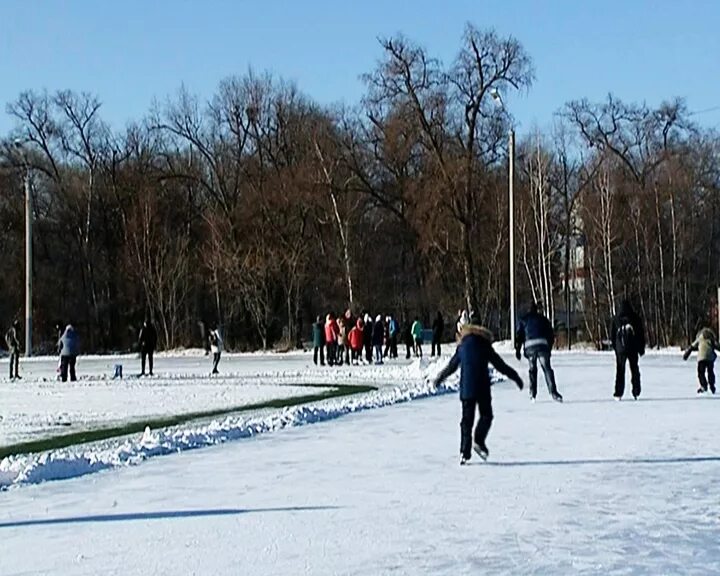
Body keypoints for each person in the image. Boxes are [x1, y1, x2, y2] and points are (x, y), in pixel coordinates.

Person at [434, 316, 524, 464]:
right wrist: (515, 377)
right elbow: (499, 365)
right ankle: (479, 441)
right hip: (482, 387)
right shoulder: (484, 345)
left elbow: (452, 366)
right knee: (486, 416)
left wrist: (439, 378)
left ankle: (464, 452)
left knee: (466, 421)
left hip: (467, 388)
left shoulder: (462, 346)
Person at [515, 302, 563, 403]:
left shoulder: (523, 320)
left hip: (529, 346)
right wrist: (548, 348)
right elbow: (550, 334)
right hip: (542, 345)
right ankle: (553, 392)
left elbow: (519, 336)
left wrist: (518, 350)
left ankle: (532, 393)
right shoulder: (543, 319)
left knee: (532, 370)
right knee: (547, 368)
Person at [611, 299, 646, 400]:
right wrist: (641, 348)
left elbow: (612, 336)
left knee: (620, 371)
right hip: (633, 349)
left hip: (620, 350)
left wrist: (616, 348)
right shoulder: (635, 318)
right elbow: (640, 334)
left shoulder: (616, 319)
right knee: (634, 369)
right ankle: (636, 391)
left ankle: (618, 393)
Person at [683, 327, 720, 394]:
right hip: (710, 358)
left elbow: (691, 346)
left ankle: (703, 386)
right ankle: (712, 386)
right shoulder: (711, 339)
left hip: (701, 358)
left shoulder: (699, 338)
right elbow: (717, 346)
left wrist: (686, 355)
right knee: (710, 372)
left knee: (701, 372)